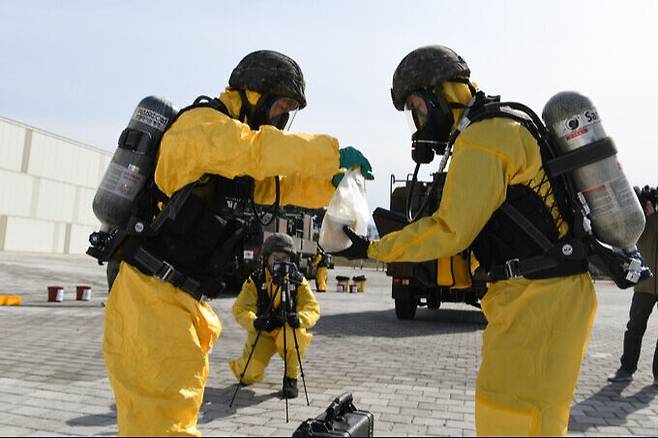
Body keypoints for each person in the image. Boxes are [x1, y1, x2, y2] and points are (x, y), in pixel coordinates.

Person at [103, 50, 372, 436]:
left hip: (177, 302)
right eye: (281, 105)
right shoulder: (202, 127)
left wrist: (329, 186)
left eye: (290, 110)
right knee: (164, 424)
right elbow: (255, 150)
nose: (282, 117)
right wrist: (329, 155)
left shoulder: (233, 159)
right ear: (252, 93)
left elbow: (277, 183)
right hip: (149, 301)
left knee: (167, 420)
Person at [336, 45, 597, 436]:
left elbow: (450, 229)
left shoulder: (484, 138)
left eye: (417, 106)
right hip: (535, 302)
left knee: (512, 420)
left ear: (441, 95)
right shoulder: (496, 128)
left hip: (538, 305)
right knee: (517, 417)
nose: (418, 119)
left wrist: (372, 248)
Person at [229, 233, 320, 398]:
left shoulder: (297, 280)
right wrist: (255, 322)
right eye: (275, 258)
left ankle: (291, 378)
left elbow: (312, 308)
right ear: (266, 258)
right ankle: (242, 369)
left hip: (286, 330)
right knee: (248, 375)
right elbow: (240, 308)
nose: (280, 262)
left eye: (284, 258)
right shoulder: (255, 280)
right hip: (262, 333)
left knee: (297, 333)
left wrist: (300, 319)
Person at [608, 187, 658, 384]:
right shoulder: (639, 224)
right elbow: (623, 241)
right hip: (644, 285)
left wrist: (654, 217)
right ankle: (626, 368)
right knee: (634, 328)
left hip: (646, 285)